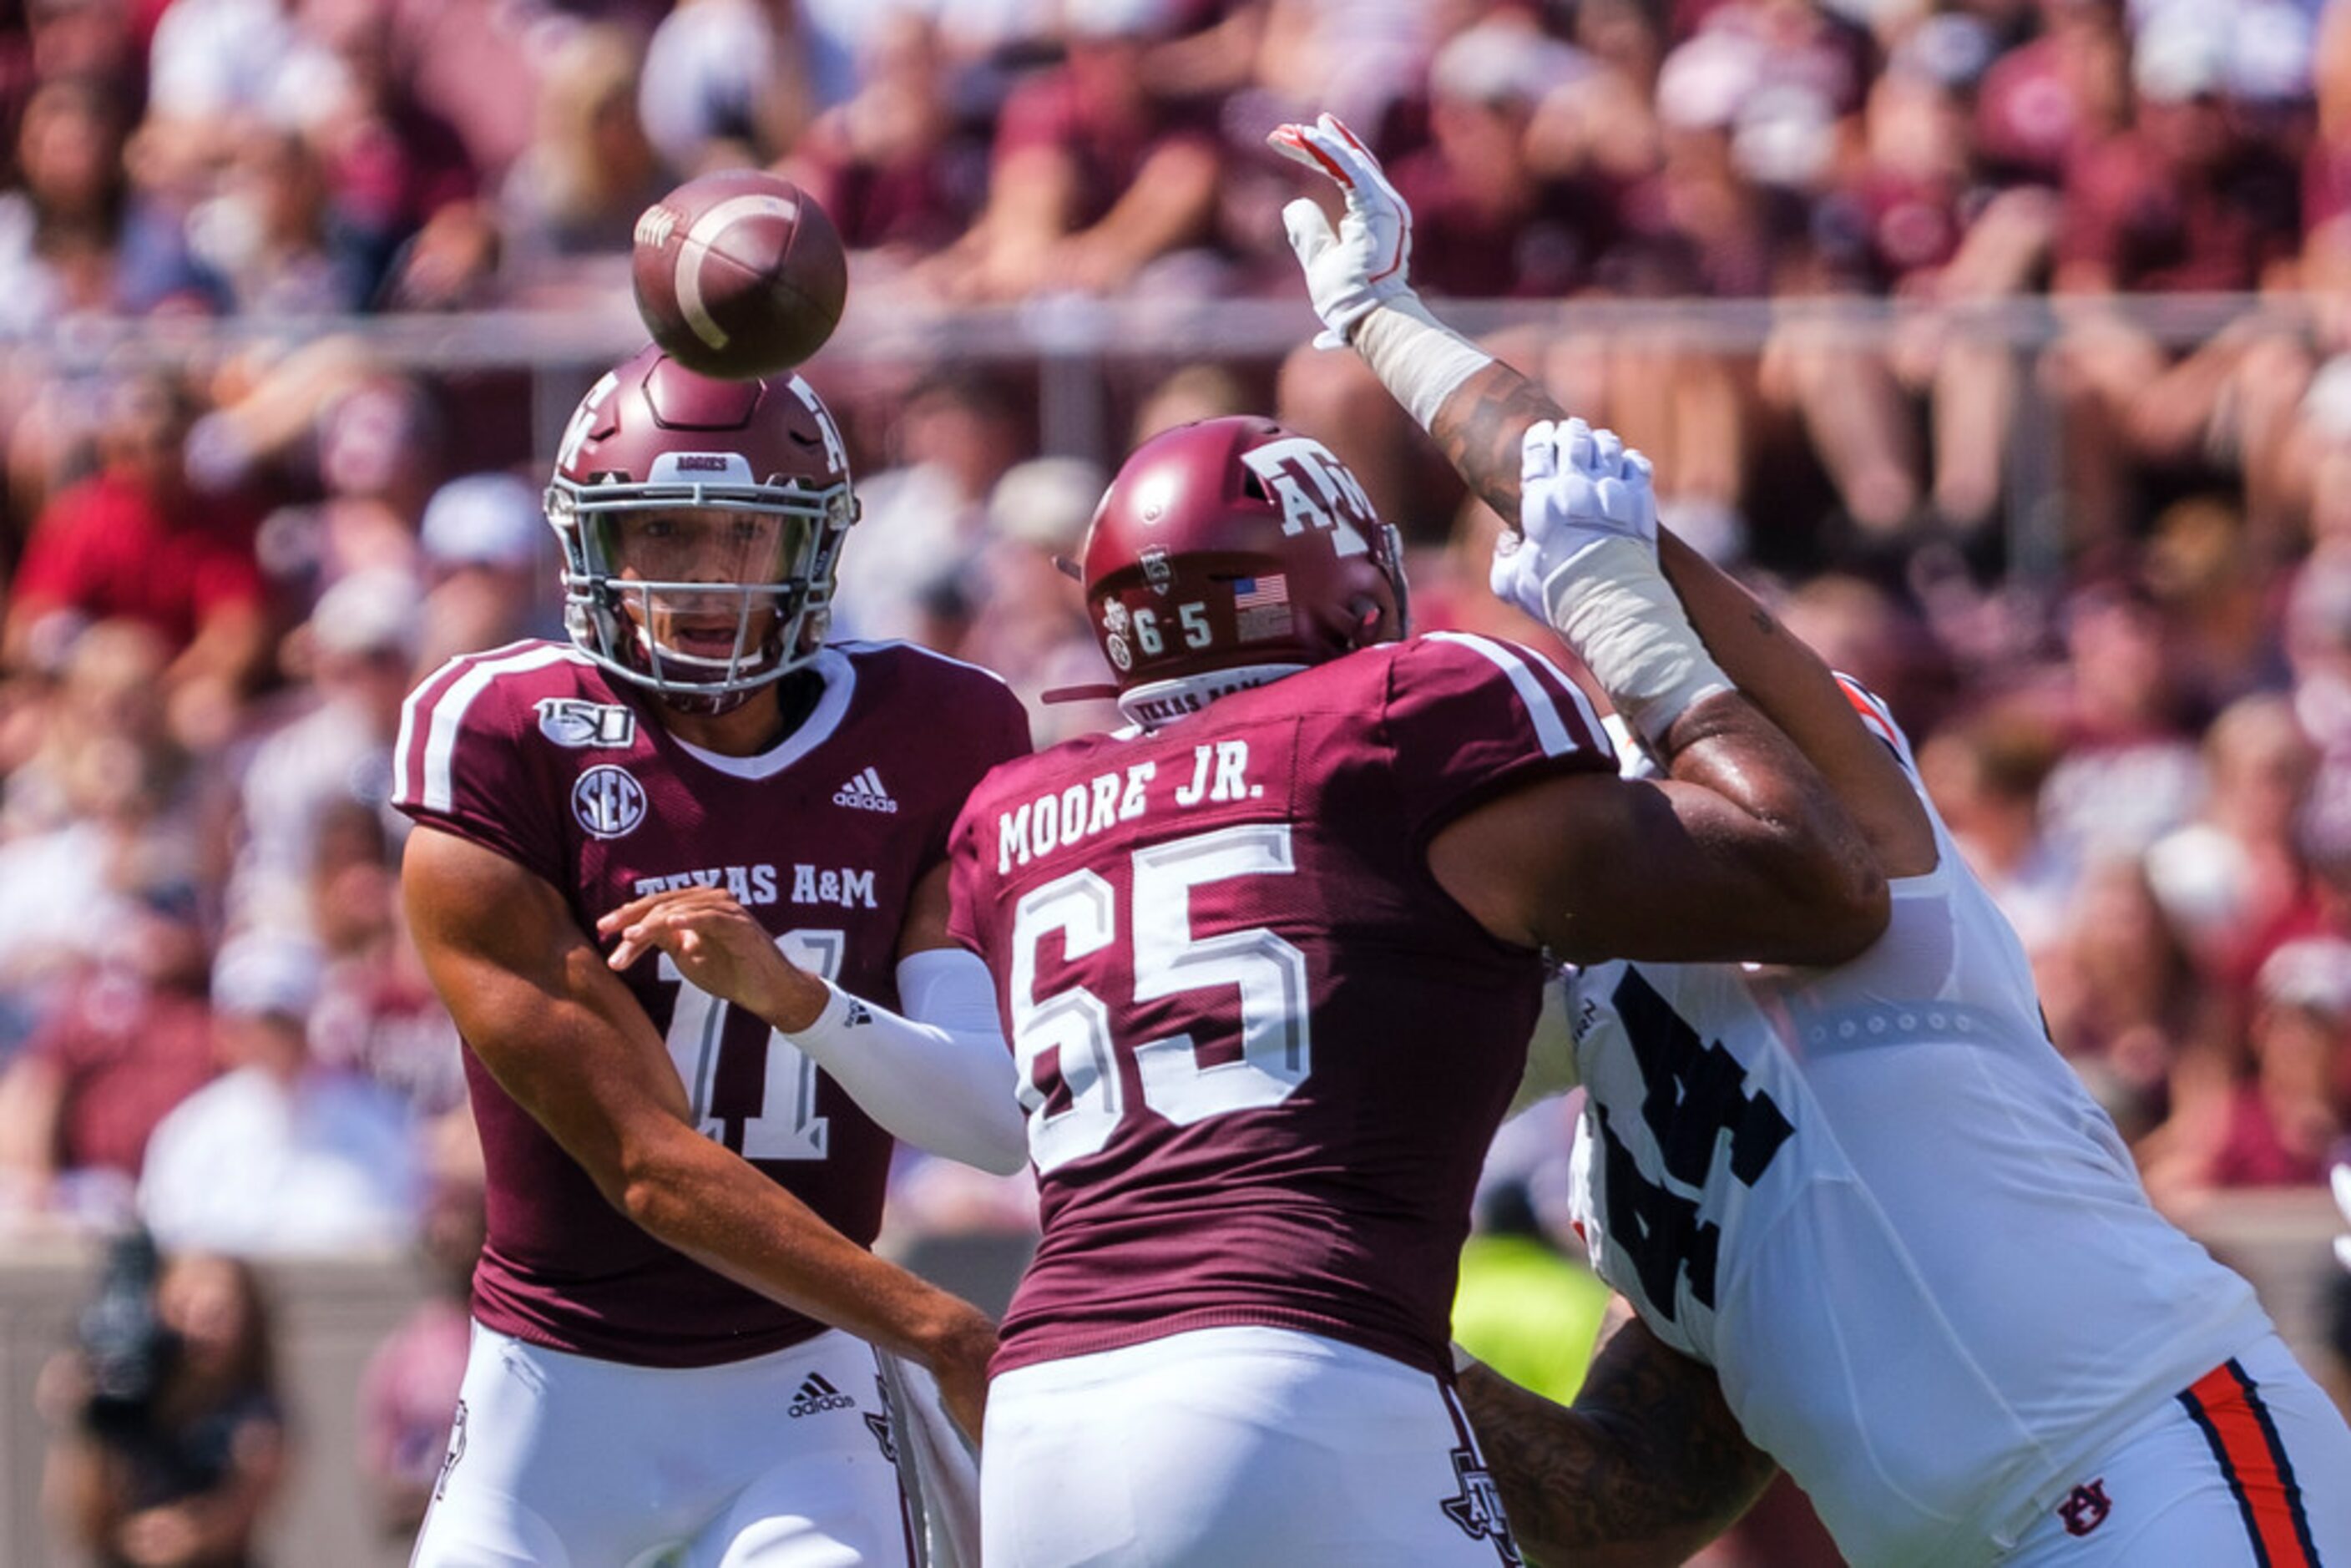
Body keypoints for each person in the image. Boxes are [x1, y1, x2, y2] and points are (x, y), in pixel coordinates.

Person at [1268, 110, 2351, 1566]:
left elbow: (1586, 502)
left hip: (2157, 1464)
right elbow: (1633, 1496)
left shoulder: (1837, 826)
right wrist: (1345, 1317)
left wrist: (1384, 324)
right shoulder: (1620, 1144)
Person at [943, 411, 1888, 1559]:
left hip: (1043, 1418)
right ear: (1356, 596)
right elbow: (1821, 882)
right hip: (1301, 1367)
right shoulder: (1397, 719)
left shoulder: (1016, 816)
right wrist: (1637, 628)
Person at [392, 345, 1031, 1566]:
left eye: (742, 534)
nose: (700, 577)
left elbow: (988, 1119)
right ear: (594, 543)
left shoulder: (940, 728)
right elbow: (648, 1163)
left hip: (801, 1394)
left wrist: (797, 998)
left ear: (813, 546)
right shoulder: (504, 736)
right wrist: (941, 1329)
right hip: (553, 1391)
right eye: (662, 534)